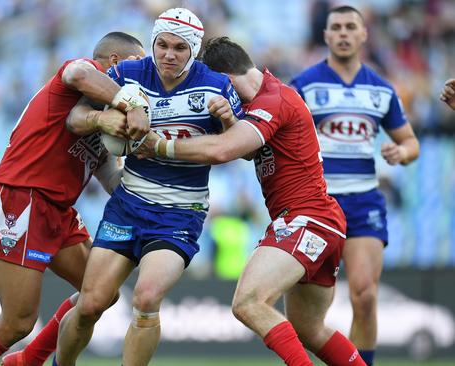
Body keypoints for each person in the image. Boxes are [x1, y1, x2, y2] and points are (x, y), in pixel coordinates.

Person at [137, 36, 367, 366]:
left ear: (225, 81)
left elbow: (223, 150)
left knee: (248, 302)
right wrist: (230, 121)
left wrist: (159, 146)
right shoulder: (262, 101)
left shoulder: (273, 100)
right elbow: (246, 150)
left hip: (306, 218)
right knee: (309, 329)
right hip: (322, 222)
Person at [54, 8, 242, 366]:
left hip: (180, 213)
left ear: (193, 51)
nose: (169, 54)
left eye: (180, 48)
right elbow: (74, 118)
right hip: (128, 204)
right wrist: (102, 117)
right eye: (162, 45)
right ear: (153, 43)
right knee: (91, 303)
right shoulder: (126, 74)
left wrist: (230, 120)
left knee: (145, 297)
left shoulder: (217, 87)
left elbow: (242, 148)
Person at [0, 32, 147, 366]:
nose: (143, 74)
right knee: (16, 322)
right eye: (138, 64)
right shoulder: (81, 72)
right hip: (22, 197)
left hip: (58, 209)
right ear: (116, 61)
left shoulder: (101, 120)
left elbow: (113, 182)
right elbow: (79, 75)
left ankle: (28, 361)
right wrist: (131, 103)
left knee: (100, 294)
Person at [290, 6, 420, 365]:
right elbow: (280, 127)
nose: (344, 33)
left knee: (365, 295)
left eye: (351, 27)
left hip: (363, 201)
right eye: (337, 27)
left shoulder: (381, 90)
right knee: (309, 314)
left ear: (364, 35)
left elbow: (411, 142)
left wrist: (401, 151)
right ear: (326, 35)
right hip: (317, 203)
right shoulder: (304, 85)